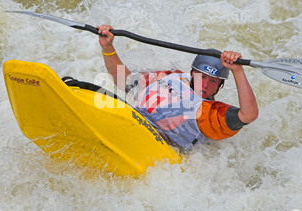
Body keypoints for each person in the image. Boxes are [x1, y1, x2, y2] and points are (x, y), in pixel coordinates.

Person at [97, 24, 259, 150]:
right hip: (131, 123)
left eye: (213, 81)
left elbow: (248, 115)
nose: (205, 85)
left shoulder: (211, 114)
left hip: (158, 146)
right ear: (192, 72)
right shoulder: (172, 77)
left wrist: (237, 70)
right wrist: (108, 48)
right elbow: (124, 81)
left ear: (219, 86)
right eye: (202, 77)